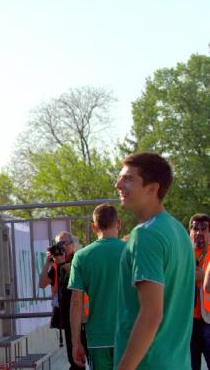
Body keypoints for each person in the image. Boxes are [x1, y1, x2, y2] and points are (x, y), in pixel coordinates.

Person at [113, 152, 194, 369]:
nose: (118, 184)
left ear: (152, 188)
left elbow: (151, 314)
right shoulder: (179, 231)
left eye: (128, 178)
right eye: (120, 177)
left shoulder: (146, 235)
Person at [68, 203, 125, 370]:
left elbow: (76, 303)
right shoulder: (132, 251)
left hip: (97, 338)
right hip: (129, 337)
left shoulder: (81, 257)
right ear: (119, 224)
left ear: (94, 227)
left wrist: (75, 342)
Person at [38, 230, 84, 370]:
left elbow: (78, 277)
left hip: (81, 316)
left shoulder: (78, 259)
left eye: (64, 243)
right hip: (66, 314)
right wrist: (47, 263)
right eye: (58, 244)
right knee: (72, 356)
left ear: (72, 245)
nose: (62, 247)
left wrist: (63, 262)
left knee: (81, 355)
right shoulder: (56, 264)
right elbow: (42, 283)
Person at [191, 213, 210, 370]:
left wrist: (203, 276)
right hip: (187, 323)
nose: (198, 232)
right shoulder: (182, 253)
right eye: (195, 228)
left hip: (208, 321)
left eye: (203, 229)